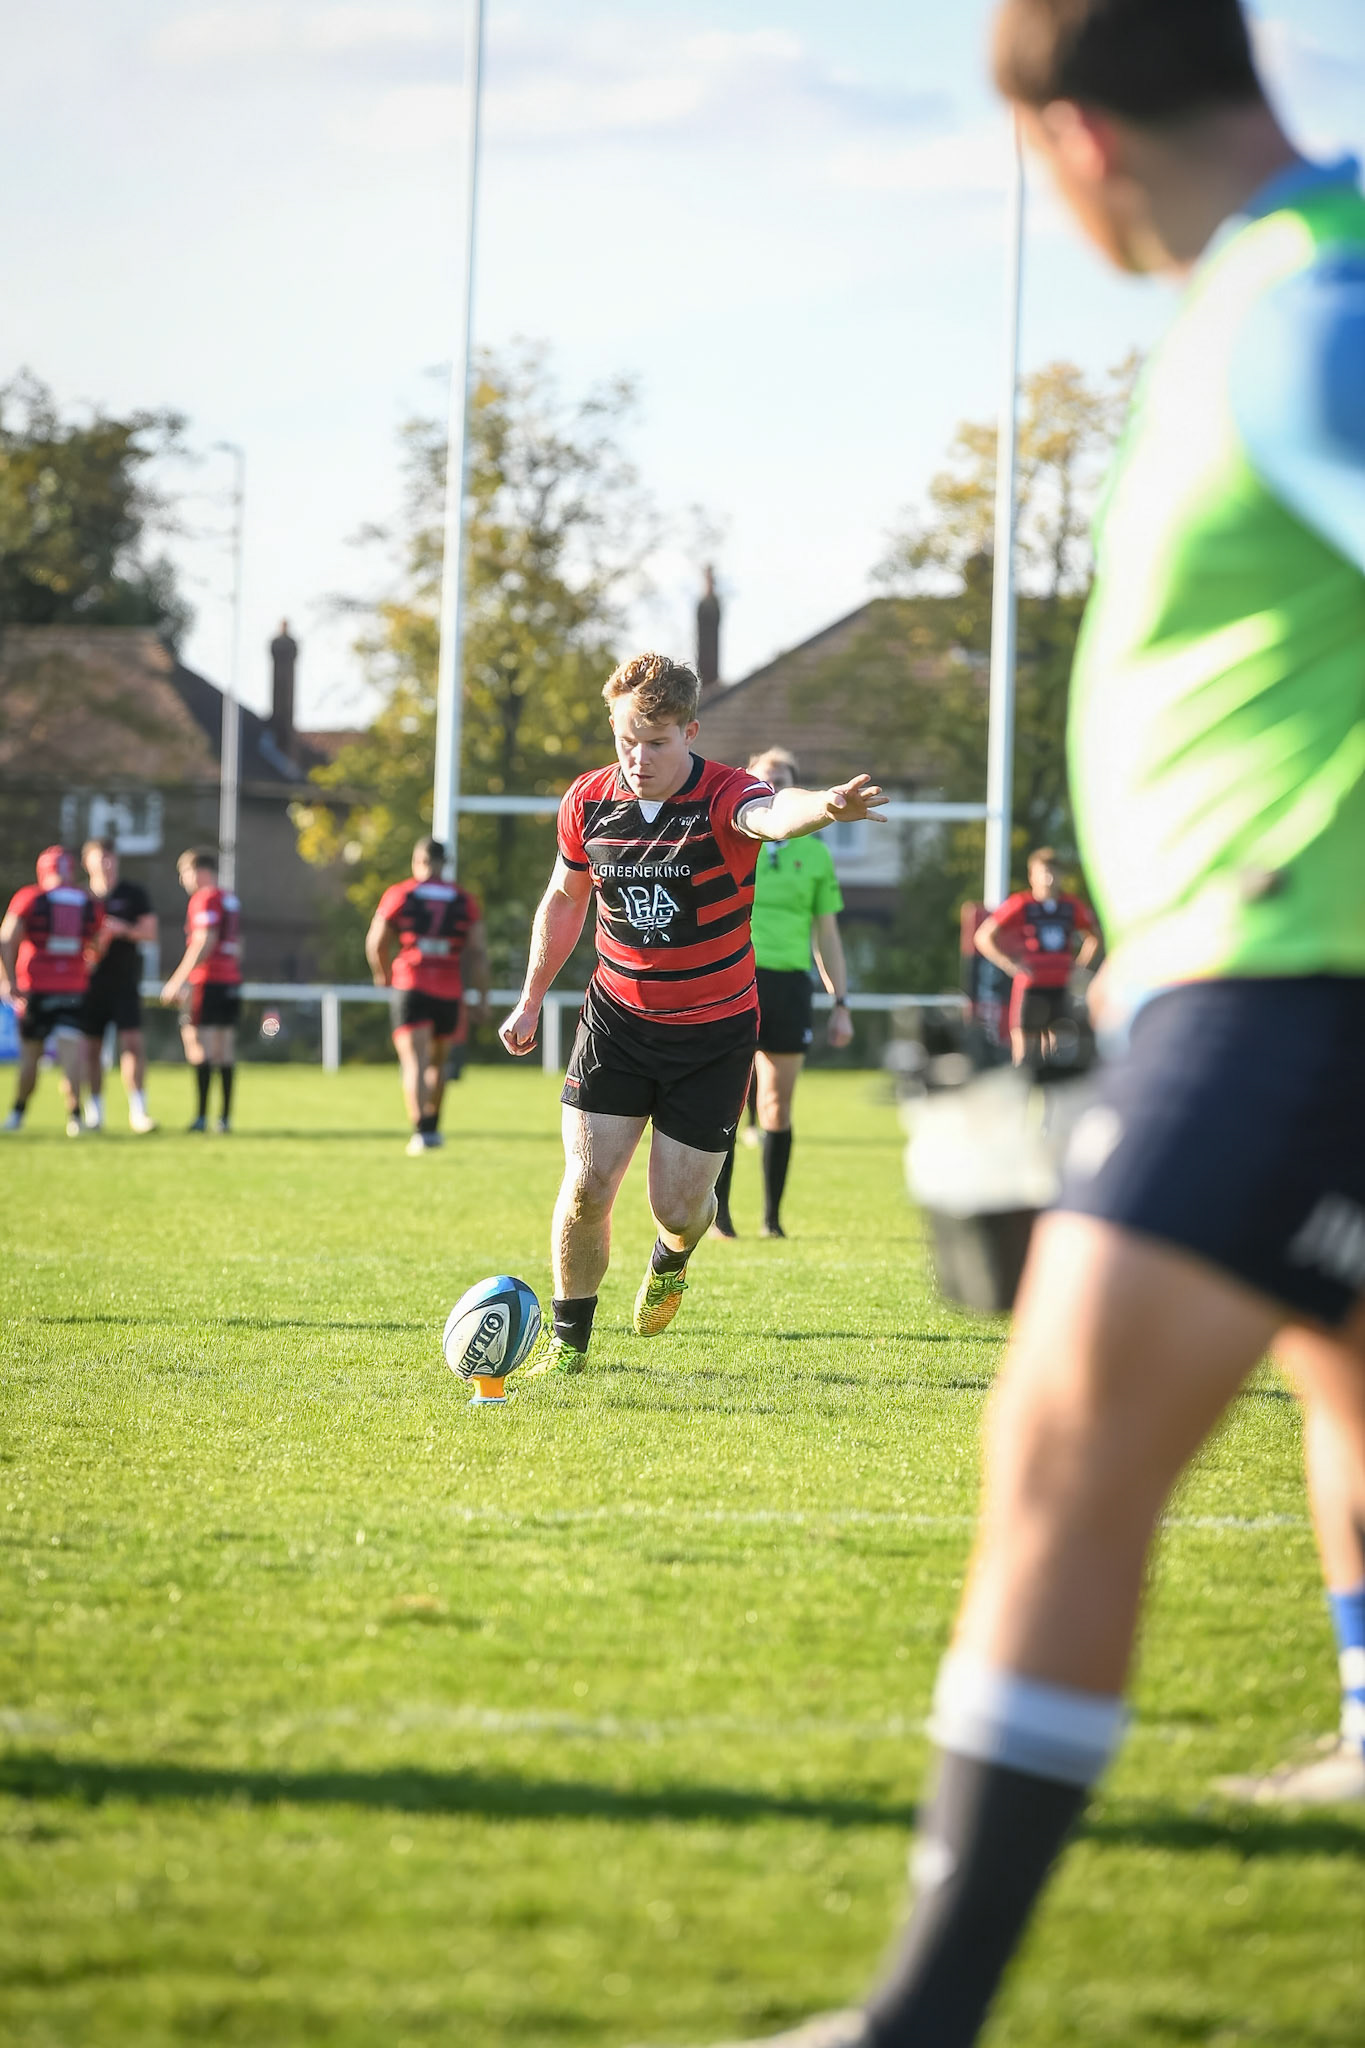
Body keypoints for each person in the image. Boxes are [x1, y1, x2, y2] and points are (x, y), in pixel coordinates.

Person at [701, 3, 1365, 2044]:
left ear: (1070, 136)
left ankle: (914, 2017)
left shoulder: (1296, 304)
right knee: (1340, 1376)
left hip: (1295, 981)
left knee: (1063, 1441)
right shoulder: (1284, 285)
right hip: (1245, 965)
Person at [499, 652, 884, 1376]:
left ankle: (672, 1257)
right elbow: (564, 897)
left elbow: (772, 815)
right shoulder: (586, 801)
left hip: (713, 1032)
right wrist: (528, 997)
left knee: (677, 1208)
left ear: (690, 731)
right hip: (616, 1020)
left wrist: (826, 807)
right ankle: (567, 1347)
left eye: (657, 742)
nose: (638, 759)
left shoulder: (725, 794)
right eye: (625, 741)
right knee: (585, 1186)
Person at [712, 747, 853, 1238]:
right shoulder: (729, 837)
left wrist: (841, 1001)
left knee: (777, 1103)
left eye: (783, 780)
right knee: (725, 1102)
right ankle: (719, 1216)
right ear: (748, 782)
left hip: (790, 985)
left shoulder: (814, 852)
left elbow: (827, 934)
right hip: (732, 978)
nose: (772, 786)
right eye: (764, 778)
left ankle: (772, 1219)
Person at [366, 836, 490, 1155]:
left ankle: (420, 1131)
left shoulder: (400, 894)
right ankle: (433, 1129)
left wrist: (382, 974)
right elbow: (477, 952)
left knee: (414, 1061)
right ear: (444, 863)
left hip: (412, 983)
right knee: (439, 1062)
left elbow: (376, 940)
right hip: (449, 989)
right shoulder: (464, 899)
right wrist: (482, 997)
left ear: (416, 861)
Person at [0, 846, 100, 1137]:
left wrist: (7, 979)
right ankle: (75, 1117)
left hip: (36, 989)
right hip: (73, 987)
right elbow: (97, 943)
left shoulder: (30, 897)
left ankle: (17, 1113)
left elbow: (6, 938)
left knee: (31, 1056)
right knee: (72, 1056)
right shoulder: (86, 901)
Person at [973, 845, 1100, 1065]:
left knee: (1059, 1050)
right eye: (1043, 872)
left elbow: (1094, 937)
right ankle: (1021, 1096)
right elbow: (983, 936)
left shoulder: (1070, 906)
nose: (1049, 878)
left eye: (1053, 872)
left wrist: (1078, 967)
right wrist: (1008, 963)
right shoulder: (1021, 904)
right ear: (1032, 876)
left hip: (1060, 986)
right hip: (1031, 985)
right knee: (1025, 1050)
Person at [79, 836, 158, 1133]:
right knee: (91, 1049)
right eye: (100, 858)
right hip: (89, 985)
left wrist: (121, 929)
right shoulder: (81, 898)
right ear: (88, 863)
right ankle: (94, 1112)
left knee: (133, 1045)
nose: (106, 864)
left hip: (125, 983)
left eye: (111, 857)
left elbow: (149, 932)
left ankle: (139, 1111)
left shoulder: (133, 894)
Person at [160, 849, 242, 1134]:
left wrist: (178, 980)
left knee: (198, 1045)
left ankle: (201, 1117)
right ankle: (224, 1119)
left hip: (207, 981)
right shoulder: (229, 899)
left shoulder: (204, 898)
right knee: (225, 1048)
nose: (184, 881)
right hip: (231, 980)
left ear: (199, 871)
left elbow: (205, 940)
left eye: (184, 873)